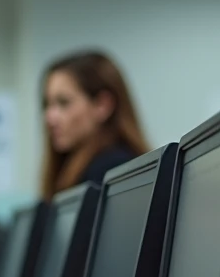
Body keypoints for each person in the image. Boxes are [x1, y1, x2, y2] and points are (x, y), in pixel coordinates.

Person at [40, 50, 150, 197]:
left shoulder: (111, 171)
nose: (49, 118)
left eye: (64, 103)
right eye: (47, 104)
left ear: (102, 105)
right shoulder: (74, 170)